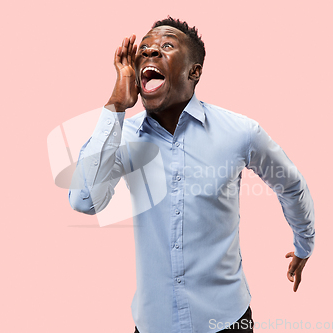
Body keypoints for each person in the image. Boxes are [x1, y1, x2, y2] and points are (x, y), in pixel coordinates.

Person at [68, 17, 315, 333]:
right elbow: (85, 201)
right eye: (143, 50)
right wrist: (116, 105)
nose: (150, 53)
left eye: (166, 46)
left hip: (228, 321)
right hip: (153, 324)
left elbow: (291, 185)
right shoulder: (123, 138)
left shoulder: (240, 132)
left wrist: (304, 243)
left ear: (194, 71)